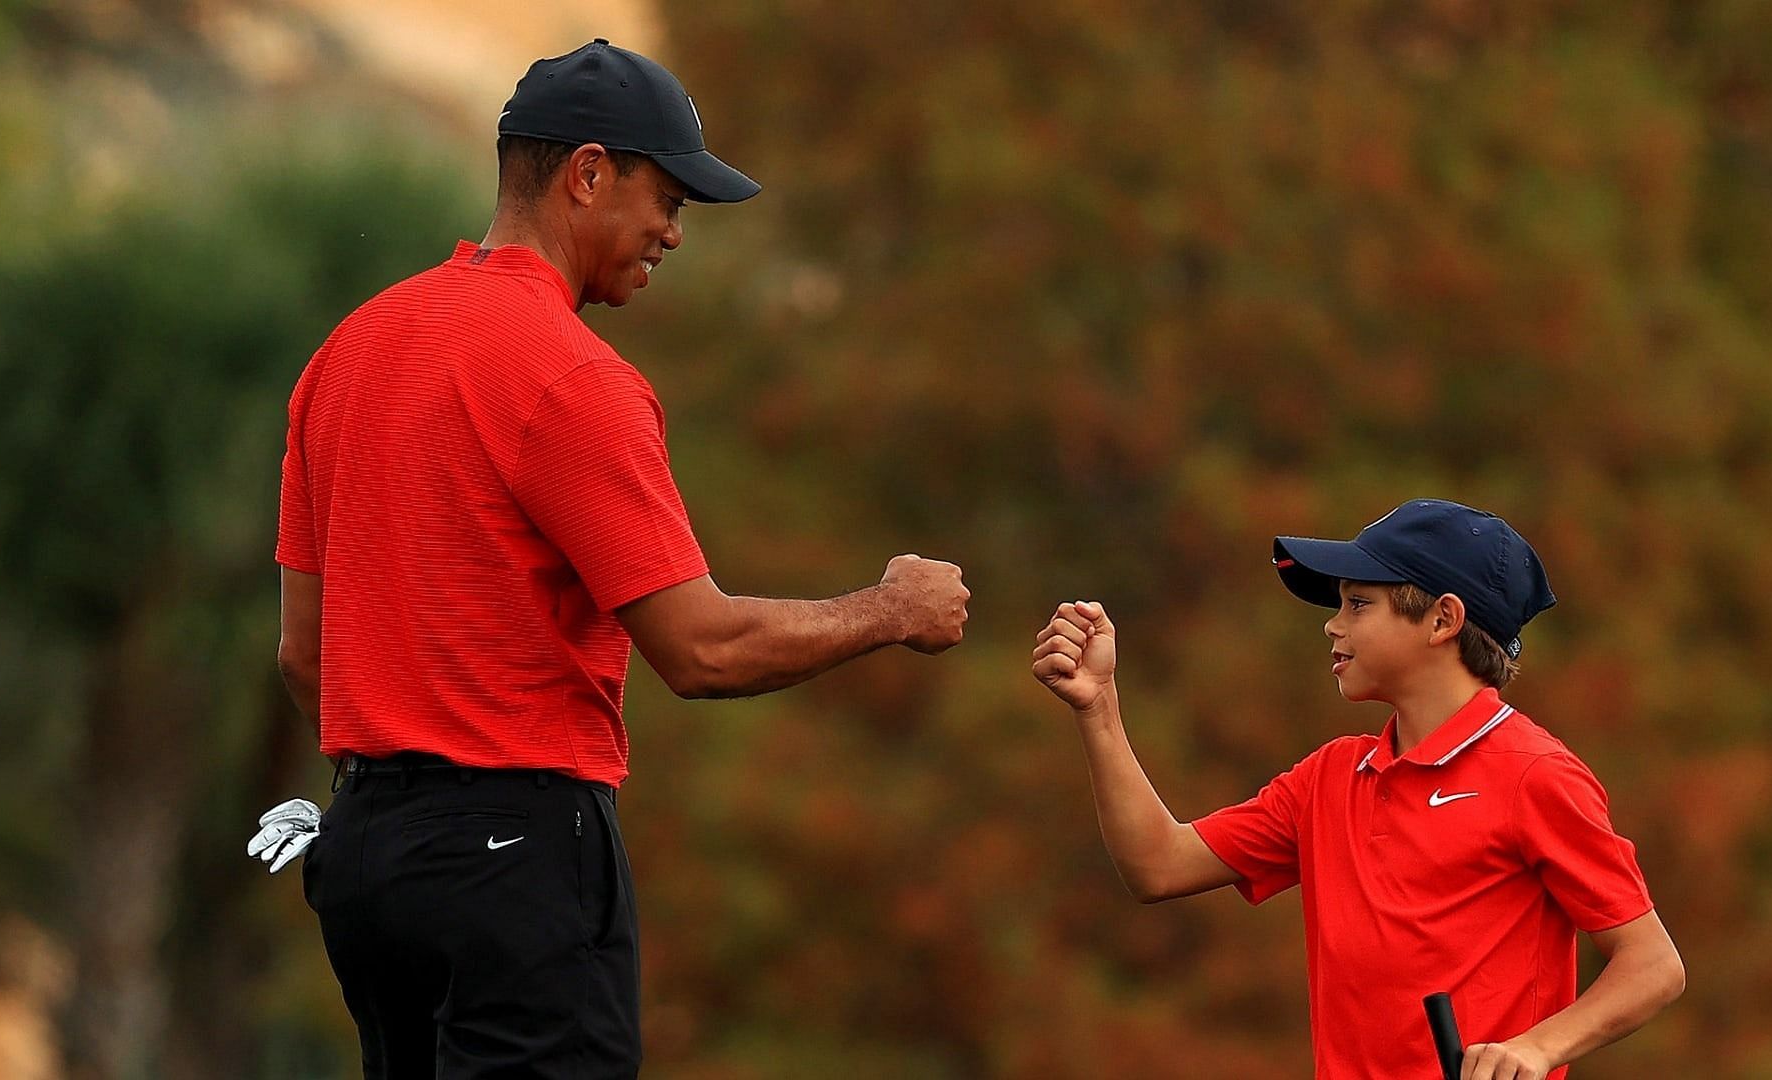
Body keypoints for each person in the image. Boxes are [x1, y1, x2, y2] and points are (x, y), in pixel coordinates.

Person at [264, 40, 969, 1079]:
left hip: (367, 857)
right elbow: (704, 650)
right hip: (515, 852)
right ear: (588, 174)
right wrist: (891, 608)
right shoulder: (572, 378)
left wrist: (404, 801)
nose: (675, 234)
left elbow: (301, 655)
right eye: (669, 199)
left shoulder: (351, 350)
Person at [1031, 498, 1683, 1080]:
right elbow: (1157, 865)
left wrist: (1537, 1049)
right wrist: (1099, 709)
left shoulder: (1534, 774)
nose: (1332, 625)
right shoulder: (1329, 777)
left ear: (1442, 620)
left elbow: (1651, 965)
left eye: (1358, 603)